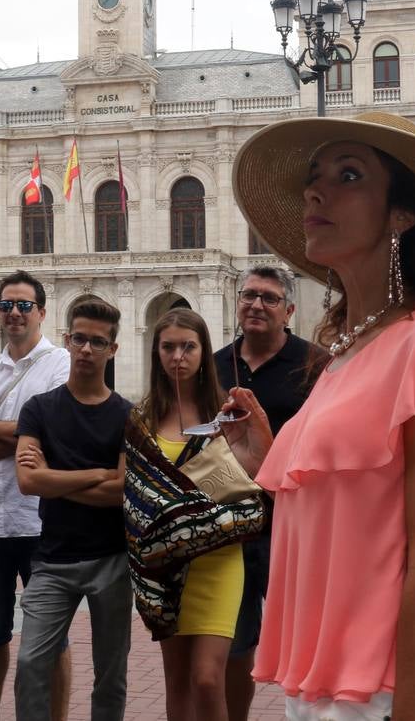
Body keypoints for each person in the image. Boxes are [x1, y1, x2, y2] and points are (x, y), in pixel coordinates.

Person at [233, 110, 415, 720]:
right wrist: (268, 461)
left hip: (389, 691)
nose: (315, 190)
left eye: (349, 174)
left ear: (402, 216)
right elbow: (355, 518)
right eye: (314, 176)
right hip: (321, 684)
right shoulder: (341, 356)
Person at [125, 308, 271, 721]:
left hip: (219, 562)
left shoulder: (227, 414)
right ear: (156, 353)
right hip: (165, 568)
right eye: (168, 347)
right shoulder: (141, 419)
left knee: (208, 678)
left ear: (204, 352)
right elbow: (136, 501)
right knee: (177, 682)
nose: (178, 356)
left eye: (188, 347)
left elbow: (254, 482)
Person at [0, 270, 72, 721]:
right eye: (6, 305)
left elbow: (57, 432)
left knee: (53, 636)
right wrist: (30, 429)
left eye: (24, 305)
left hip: (41, 523)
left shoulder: (59, 364)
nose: (14, 313)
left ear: (42, 312)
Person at [213, 266, 326, 721]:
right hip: (231, 526)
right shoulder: (215, 364)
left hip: (293, 523)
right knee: (237, 641)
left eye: (270, 298)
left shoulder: (315, 365)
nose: (256, 304)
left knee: (305, 637)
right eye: (249, 295)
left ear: (290, 311)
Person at [14, 299, 134, 721]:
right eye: (79, 338)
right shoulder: (39, 409)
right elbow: (29, 482)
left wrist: (57, 477)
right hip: (52, 560)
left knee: (111, 674)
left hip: (113, 560)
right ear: (66, 341)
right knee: (30, 663)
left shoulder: (127, 416)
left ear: (112, 350)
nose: (86, 349)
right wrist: (97, 474)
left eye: (97, 342)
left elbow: (122, 492)